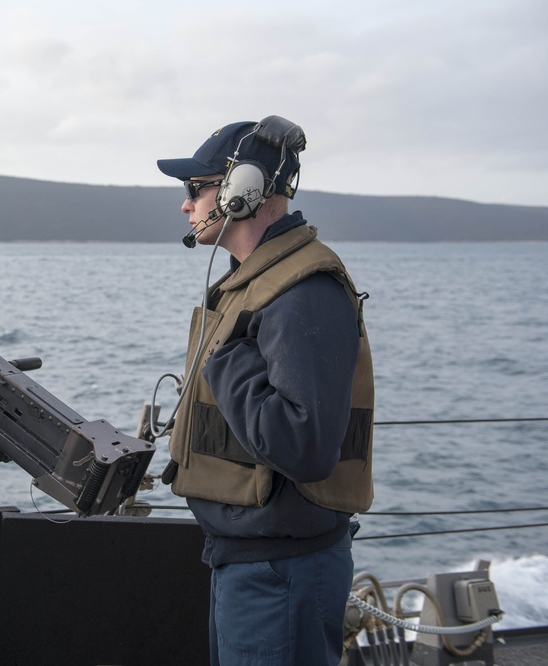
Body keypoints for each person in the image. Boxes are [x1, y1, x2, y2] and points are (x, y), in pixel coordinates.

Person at [156, 117, 375, 666]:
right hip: (250, 561)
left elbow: (304, 445)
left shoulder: (303, 291)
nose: (186, 205)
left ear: (241, 190)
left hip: (282, 573)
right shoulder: (254, 278)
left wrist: (224, 362)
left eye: (195, 188)